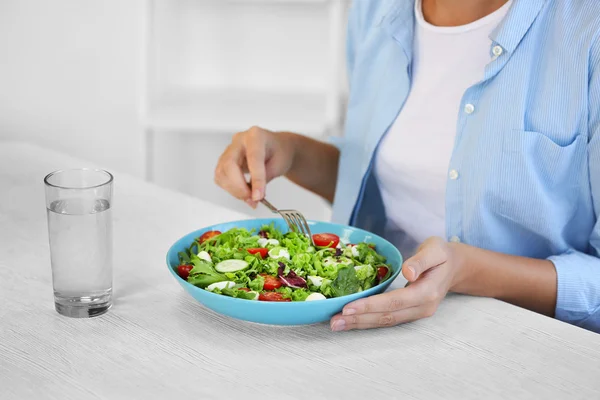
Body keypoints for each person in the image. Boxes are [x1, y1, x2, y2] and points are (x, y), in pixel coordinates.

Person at [214, 0, 600, 333]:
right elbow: (383, 187)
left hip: (524, 345)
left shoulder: (586, 31)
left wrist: (467, 270)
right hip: (372, 323)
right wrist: (292, 151)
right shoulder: (375, 11)